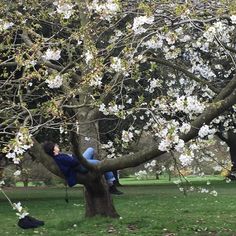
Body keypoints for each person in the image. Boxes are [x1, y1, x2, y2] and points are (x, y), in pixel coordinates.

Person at [43, 141, 123, 195]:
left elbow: (73, 159)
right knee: (102, 164)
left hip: (80, 162)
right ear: (53, 150)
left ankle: (92, 165)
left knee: (90, 149)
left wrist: (74, 157)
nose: (57, 146)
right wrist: (75, 157)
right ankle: (111, 185)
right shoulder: (59, 158)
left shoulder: (60, 155)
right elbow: (73, 162)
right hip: (80, 167)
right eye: (55, 146)